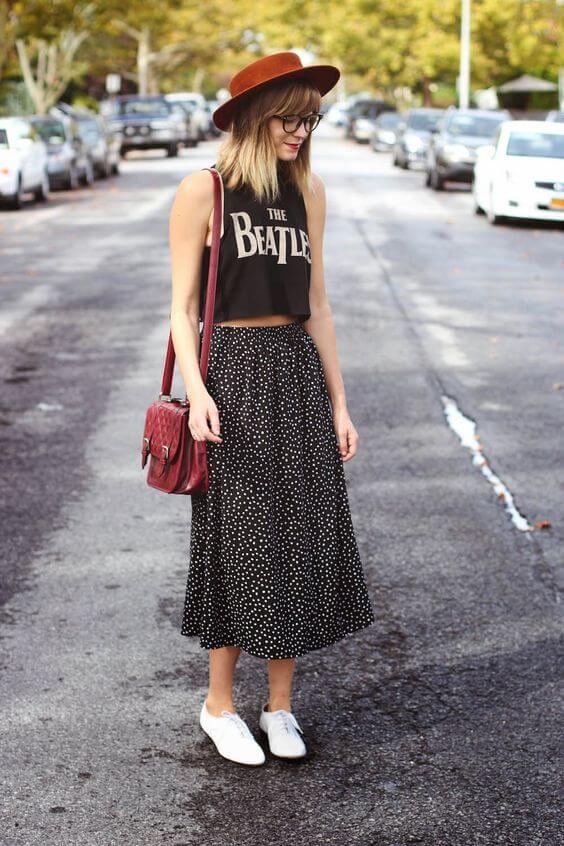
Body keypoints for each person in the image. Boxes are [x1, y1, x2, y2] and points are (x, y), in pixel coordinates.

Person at [168, 51, 375, 766]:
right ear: (257, 114)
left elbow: (317, 304)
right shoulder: (206, 190)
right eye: (292, 116)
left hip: (295, 373)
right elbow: (182, 307)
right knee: (239, 541)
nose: (301, 130)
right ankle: (219, 704)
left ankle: (280, 706)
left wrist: (340, 402)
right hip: (232, 372)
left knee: (301, 536)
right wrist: (197, 392)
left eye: (311, 119)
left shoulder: (308, 191)